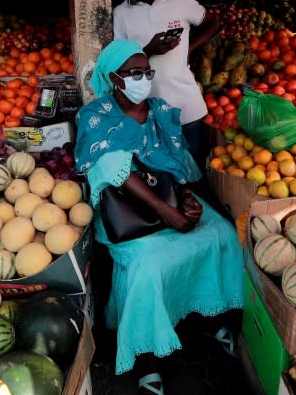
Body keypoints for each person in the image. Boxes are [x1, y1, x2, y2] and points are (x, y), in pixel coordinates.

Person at [74, 40, 243, 395]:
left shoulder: (161, 110)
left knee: (222, 235)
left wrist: (186, 199)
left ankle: (208, 316)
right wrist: (169, 213)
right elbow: (102, 166)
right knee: (148, 266)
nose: (143, 79)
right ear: (112, 77)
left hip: (171, 200)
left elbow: (178, 162)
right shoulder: (94, 116)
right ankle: (147, 356)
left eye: (146, 72)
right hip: (126, 213)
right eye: (134, 73)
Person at [112, 0, 220, 172]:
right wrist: (148, 50)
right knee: (164, 179)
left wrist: (190, 48)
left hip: (187, 108)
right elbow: (118, 64)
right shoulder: (121, 13)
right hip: (148, 113)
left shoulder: (181, 1)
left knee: (196, 176)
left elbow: (213, 24)